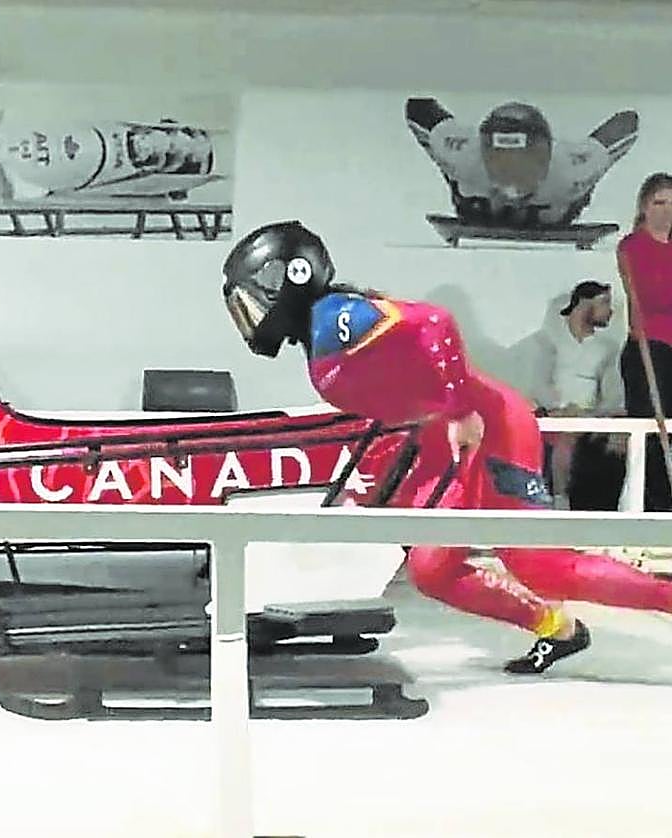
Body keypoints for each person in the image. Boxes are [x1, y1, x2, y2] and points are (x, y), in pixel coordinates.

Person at [221, 220, 672, 674]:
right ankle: (559, 629)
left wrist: (458, 410)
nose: (253, 312)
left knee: (542, 566)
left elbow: (434, 322)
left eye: (259, 292)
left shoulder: (341, 315)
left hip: (488, 426)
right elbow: (394, 396)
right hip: (448, 439)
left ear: (295, 274)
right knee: (433, 571)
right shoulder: (324, 333)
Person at [531, 280, 626, 510]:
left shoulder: (608, 348)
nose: (610, 311)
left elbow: (613, 393)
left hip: (590, 417)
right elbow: (538, 383)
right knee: (563, 437)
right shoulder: (548, 340)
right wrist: (558, 409)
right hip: (554, 415)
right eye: (604, 303)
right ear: (584, 304)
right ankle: (559, 500)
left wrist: (589, 415)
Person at [617, 172, 672, 512]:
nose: (667, 210)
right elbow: (640, 296)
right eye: (659, 202)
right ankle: (651, 508)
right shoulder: (632, 246)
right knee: (649, 432)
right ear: (644, 206)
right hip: (647, 349)